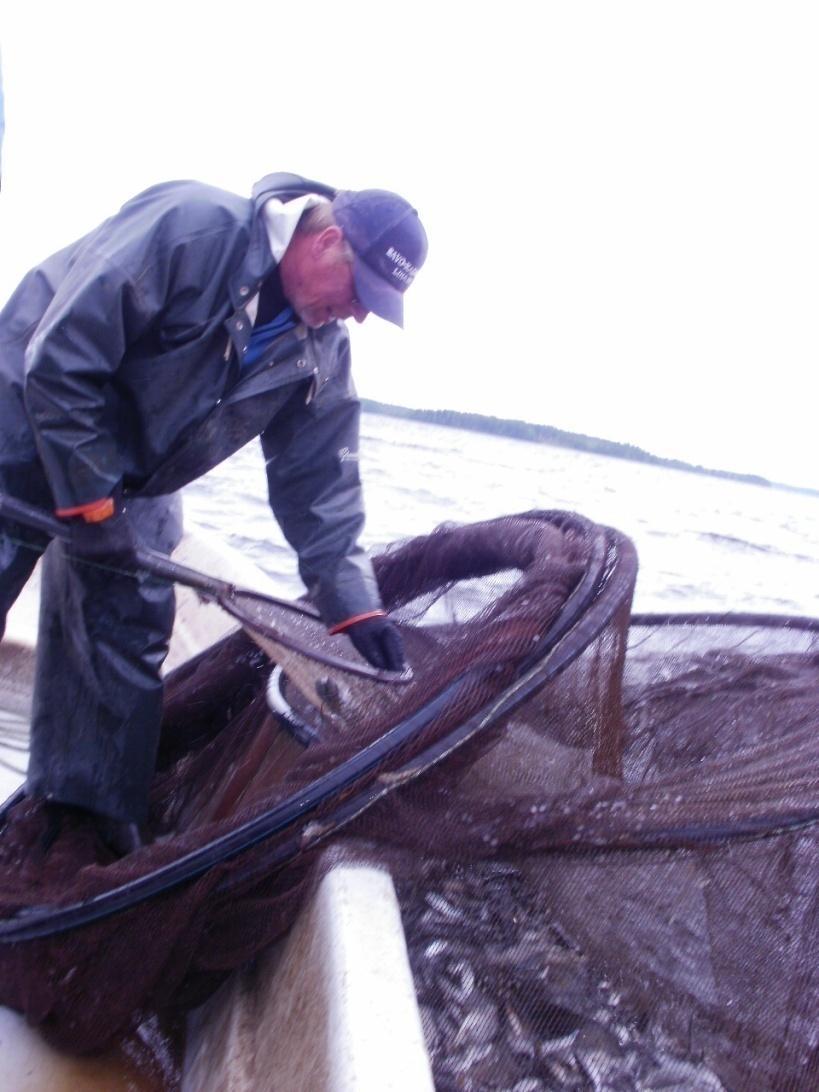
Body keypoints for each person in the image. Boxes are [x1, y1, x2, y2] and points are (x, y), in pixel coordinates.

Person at [0, 172, 427, 852]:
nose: (359, 315)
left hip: (135, 476)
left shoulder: (320, 350)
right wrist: (90, 500)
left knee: (127, 627)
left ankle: (82, 819)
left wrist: (354, 605)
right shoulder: (193, 226)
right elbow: (60, 356)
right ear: (327, 241)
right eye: (362, 292)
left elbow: (319, 485)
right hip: (22, 411)